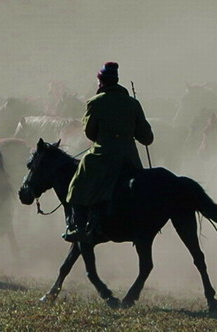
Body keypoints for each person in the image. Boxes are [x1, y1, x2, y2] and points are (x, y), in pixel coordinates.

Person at [64, 62, 154, 242]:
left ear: (102, 82)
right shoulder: (133, 103)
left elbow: (90, 133)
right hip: (130, 158)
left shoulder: (95, 102)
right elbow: (147, 138)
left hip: (102, 156)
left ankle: (79, 228)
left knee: (77, 184)